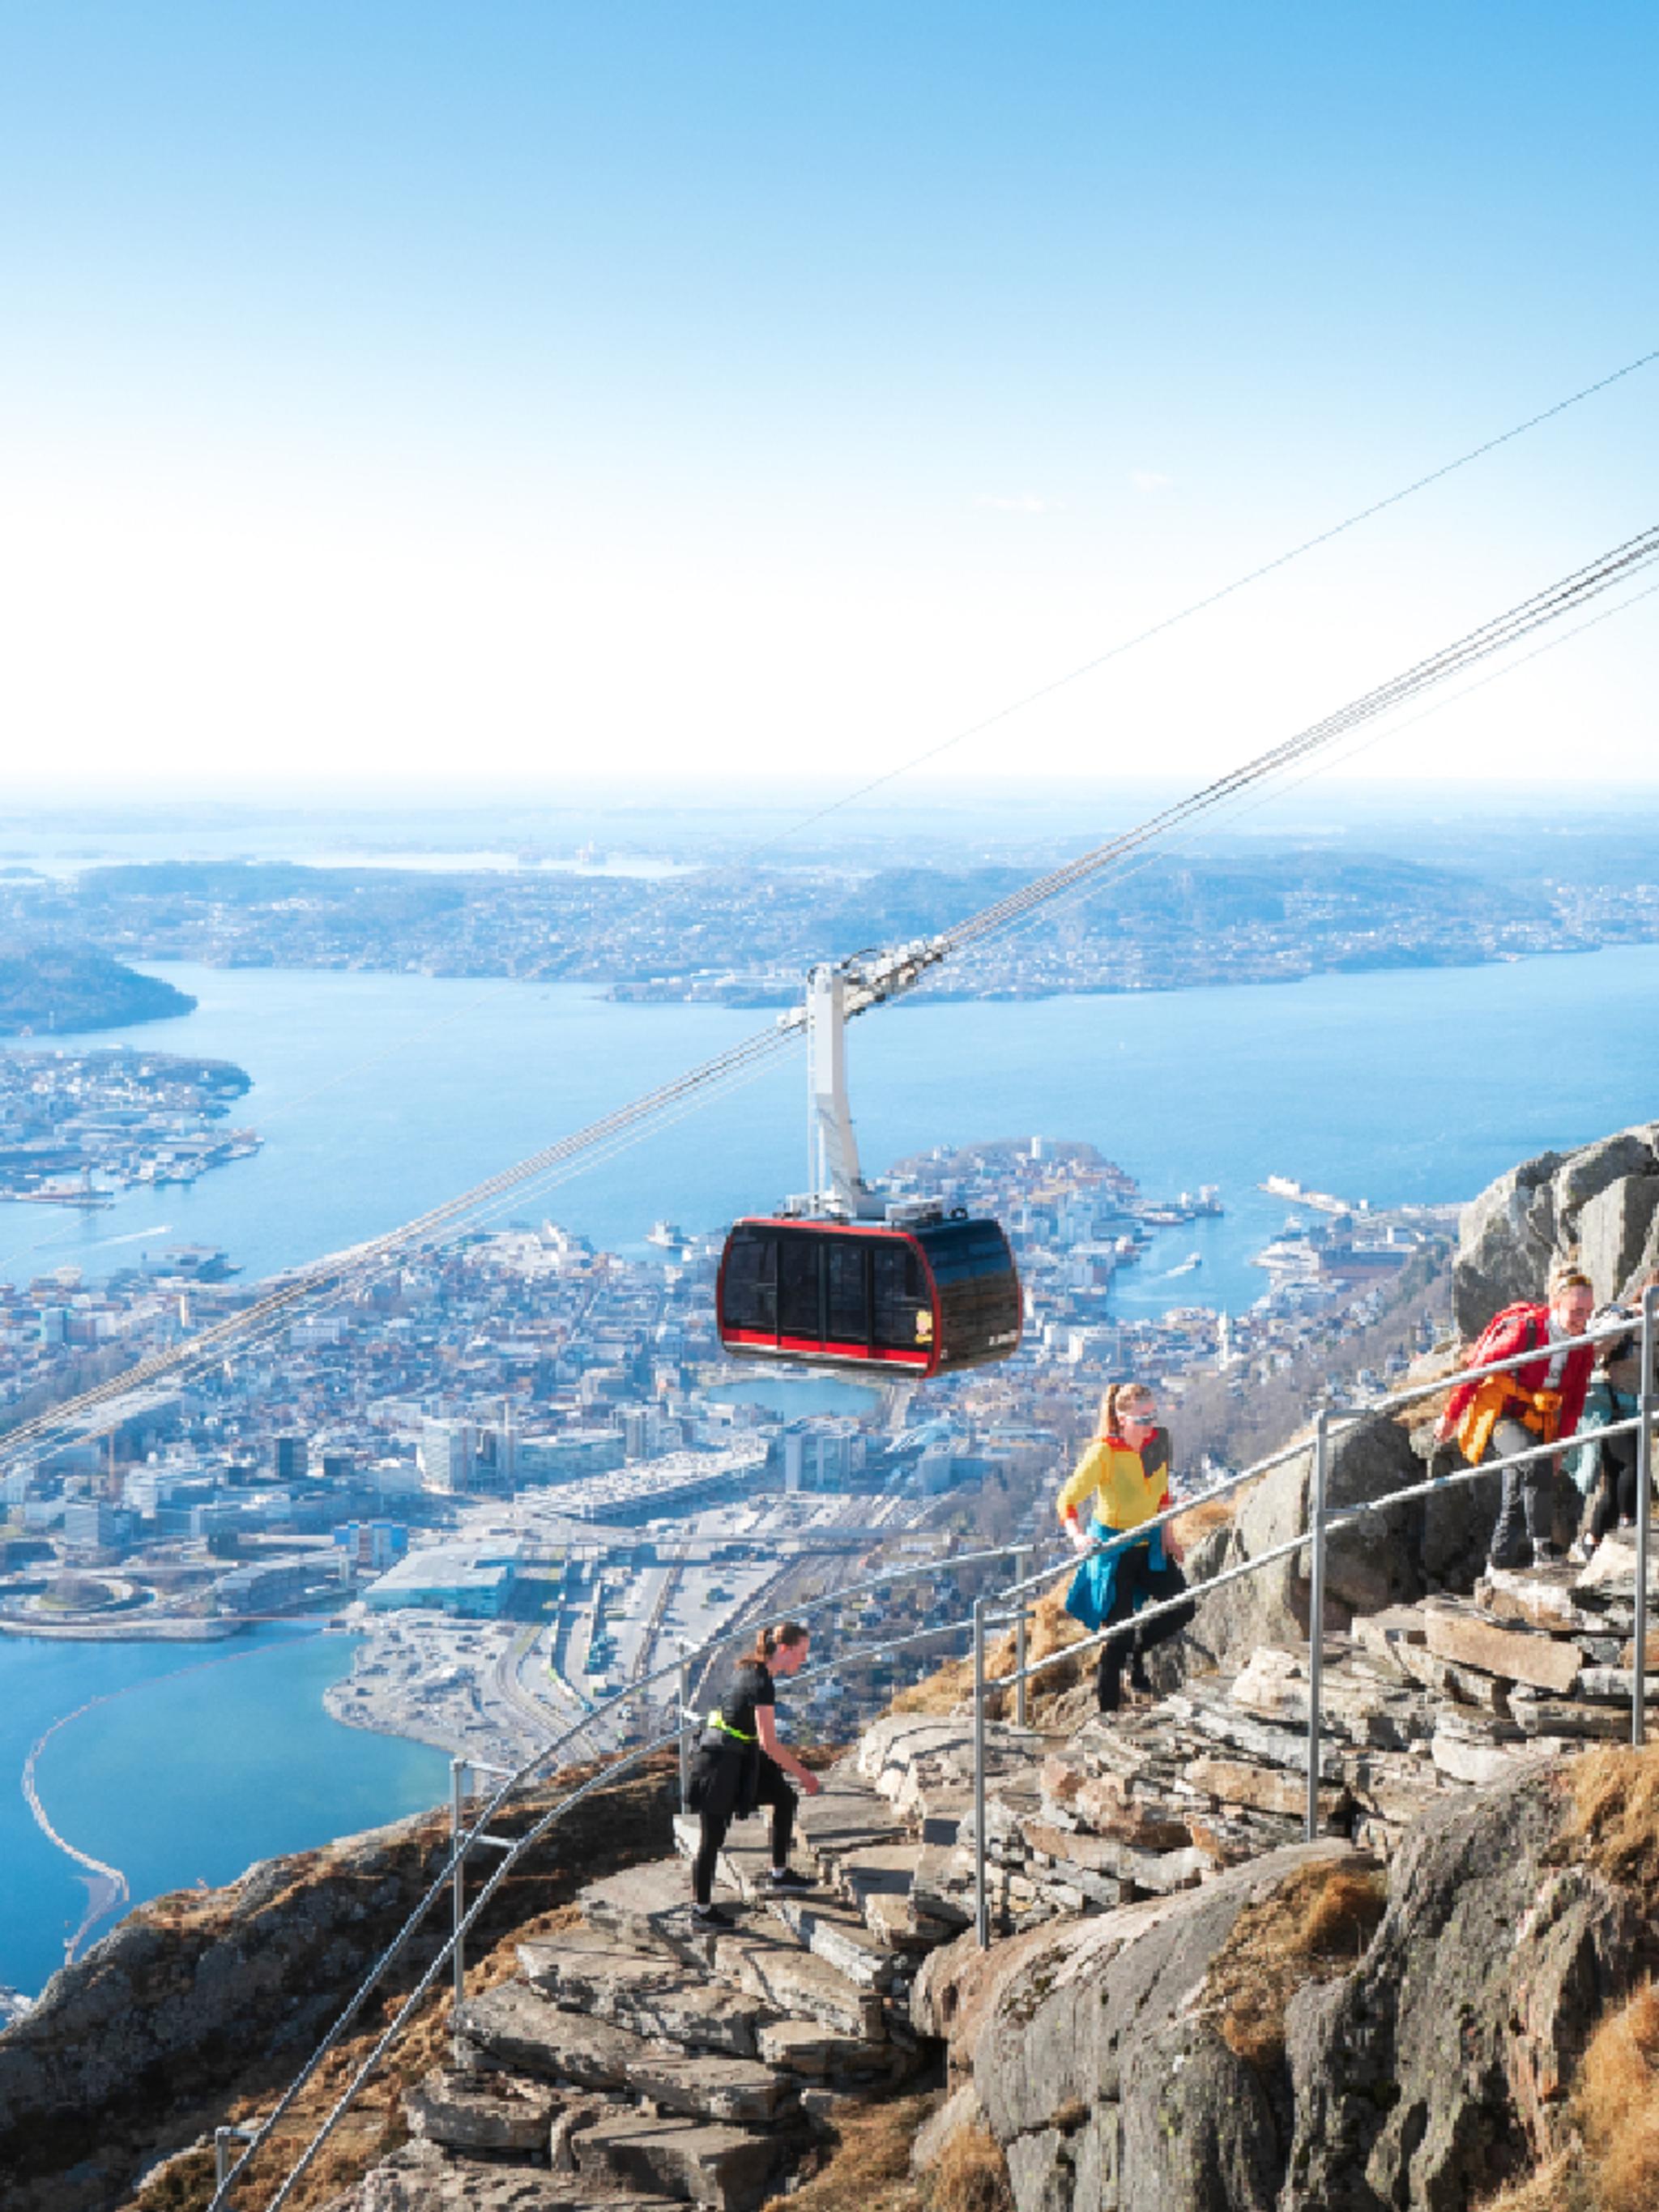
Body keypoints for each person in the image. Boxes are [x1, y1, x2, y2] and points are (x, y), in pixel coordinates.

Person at [1437, 1264, 1597, 1571]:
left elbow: (1574, 1401)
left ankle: (1497, 1564)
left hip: (1539, 1419)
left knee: (1516, 1493)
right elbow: (1479, 1368)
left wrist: (1559, 1446)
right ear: (1556, 1304)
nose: (1583, 1320)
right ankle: (1542, 1550)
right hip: (1503, 1415)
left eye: (1588, 1312)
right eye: (1577, 1311)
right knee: (1536, 1464)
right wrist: (1450, 1416)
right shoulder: (1527, 1331)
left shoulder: (1582, 1346)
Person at [1057, 1382, 1194, 1714]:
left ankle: (1139, 1649)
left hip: (1148, 1544)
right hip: (1114, 1550)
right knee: (1116, 1636)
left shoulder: (1158, 1442)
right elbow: (1067, 1500)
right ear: (1121, 1419)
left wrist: (1170, 1538)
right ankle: (1107, 1716)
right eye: (1142, 1419)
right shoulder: (1104, 1452)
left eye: (1152, 1416)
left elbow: (1162, 1497)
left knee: (1182, 1607)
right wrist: (1077, 1536)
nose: (1149, 1425)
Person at [684, 1621, 821, 1928]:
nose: (803, 1660)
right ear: (783, 1649)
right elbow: (769, 1743)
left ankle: (779, 1873)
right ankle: (701, 1910)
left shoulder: (751, 1670)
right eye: (800, 1653)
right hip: (718, 1762)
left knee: (783, 1798)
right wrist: (804, 1774)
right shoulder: (760, 1683)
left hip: (739, 1755)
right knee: (712, 1837)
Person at [1567, 1274, 1659, 1560]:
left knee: (1617, 1478)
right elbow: (1588, 1350)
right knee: (1632, 1466)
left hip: (1640, 1408)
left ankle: (1593, 1540)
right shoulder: (1624, 1322)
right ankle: (1627, 1525)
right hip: (1613, 1407)